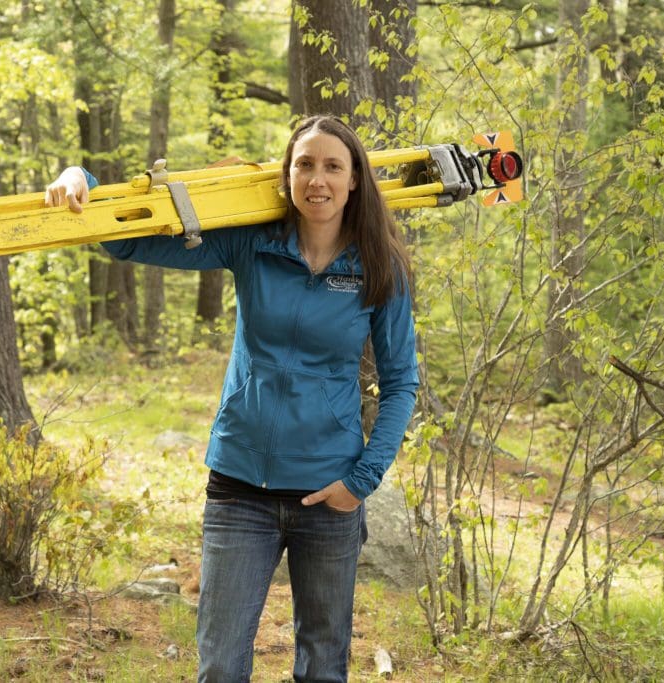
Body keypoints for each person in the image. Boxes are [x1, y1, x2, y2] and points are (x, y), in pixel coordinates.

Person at [45, 115, 419, 682]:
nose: (317, 179)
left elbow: (401, 383)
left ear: (354, 181)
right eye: (305, 164)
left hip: (328, 493)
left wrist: (360, 482)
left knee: (322, 668)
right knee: (220, 667)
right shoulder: (252, 242)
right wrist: (82, 181)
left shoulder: (379, 267)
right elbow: (131, 242)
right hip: (241, 489)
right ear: (287, 175)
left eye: (332, 166)